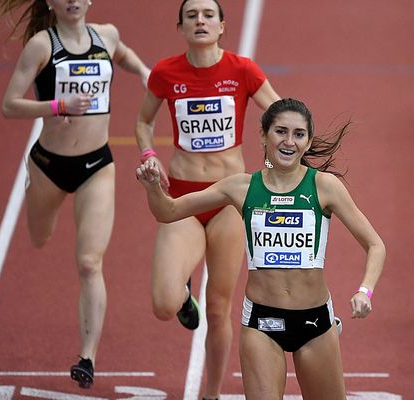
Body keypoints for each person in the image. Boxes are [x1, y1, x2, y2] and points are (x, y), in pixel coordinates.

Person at [136, 98, 386, 400]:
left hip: (315, 324)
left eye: (299, 134)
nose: (289, 141)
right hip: (261, 324)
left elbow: (375, 244)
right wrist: (153, 188)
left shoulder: (325, 187)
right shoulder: (241, 187)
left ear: (307, 142)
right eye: (281, 131)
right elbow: (169, 211)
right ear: (263, 136)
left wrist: (365, 291)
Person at [0, 0, 150, 389]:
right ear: (51, 3)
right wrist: (56, 105)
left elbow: (124, 54)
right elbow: (9, 105)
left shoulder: (106, 35)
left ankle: (87, 357)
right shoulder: (42, 46)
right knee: (39, 237)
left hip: (98, 164)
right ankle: (37, 197)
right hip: (49, 165)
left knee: (89, 263)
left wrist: (145, 71)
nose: (73, 0)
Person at [134, 0, 280, 398]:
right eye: (192, 15)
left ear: (221, 26)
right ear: (180, 27)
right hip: (183, 197)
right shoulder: (166, 72)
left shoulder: (243, 70)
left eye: (208, 15)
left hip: (230, 201)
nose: (200, 20)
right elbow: (143, 122)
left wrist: (281, 157)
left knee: (219, 309)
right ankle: (182, 297)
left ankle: (211, 394)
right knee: (163, 302)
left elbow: (281, 114)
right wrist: (148, 154)